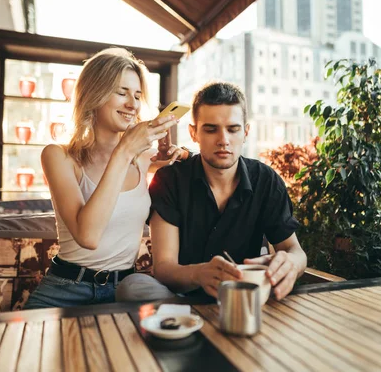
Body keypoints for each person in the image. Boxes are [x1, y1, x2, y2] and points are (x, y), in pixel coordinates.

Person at [24, 48, 183, 309]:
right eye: (121, 93)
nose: (132, 104)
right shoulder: (59, 157)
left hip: (127, 289)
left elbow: (188, 168)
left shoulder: (142, 158)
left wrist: (180, 155)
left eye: (137, 95)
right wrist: (124, 151)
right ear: (94, 94)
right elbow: (88, 236)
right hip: (66, 289)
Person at [145, 81, 307, 301]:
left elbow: (294, 250)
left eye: (233, 129)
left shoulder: (265, 180)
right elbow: (164, 267)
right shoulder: (170, 180)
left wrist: (291, 264)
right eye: (211, 129)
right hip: (181, 299)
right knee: (136, 287)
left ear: (246, 132)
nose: (223, 140)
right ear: (193, 133)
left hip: (242, 298)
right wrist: (198, 274)